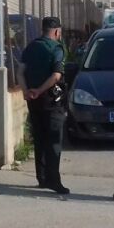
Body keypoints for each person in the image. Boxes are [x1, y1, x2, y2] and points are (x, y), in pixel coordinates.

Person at [20, 17, 71, 196]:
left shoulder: (31, 47)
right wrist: (40, 90)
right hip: (51, 100)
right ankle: (54, 180)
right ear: (57, 32)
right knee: (53, 140)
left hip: (33, 100)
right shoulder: (56, 48)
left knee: (40, 138)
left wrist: (27, 91)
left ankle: (41, 178)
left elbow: (20, 72)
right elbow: (56, 75)